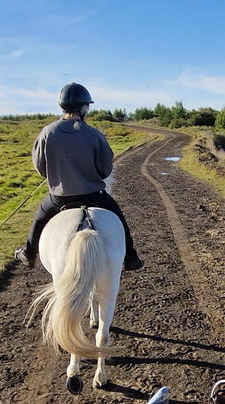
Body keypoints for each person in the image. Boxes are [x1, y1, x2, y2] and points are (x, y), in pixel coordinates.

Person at [14, 82, 143, 270]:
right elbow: (105, 170)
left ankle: (28, 253)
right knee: (118, 217)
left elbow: (41, 169)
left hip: (59, 198)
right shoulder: (94, 134)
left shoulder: (48, 132)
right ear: (84, 108)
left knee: (40, 218)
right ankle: (131, 257)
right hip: (95, 196)